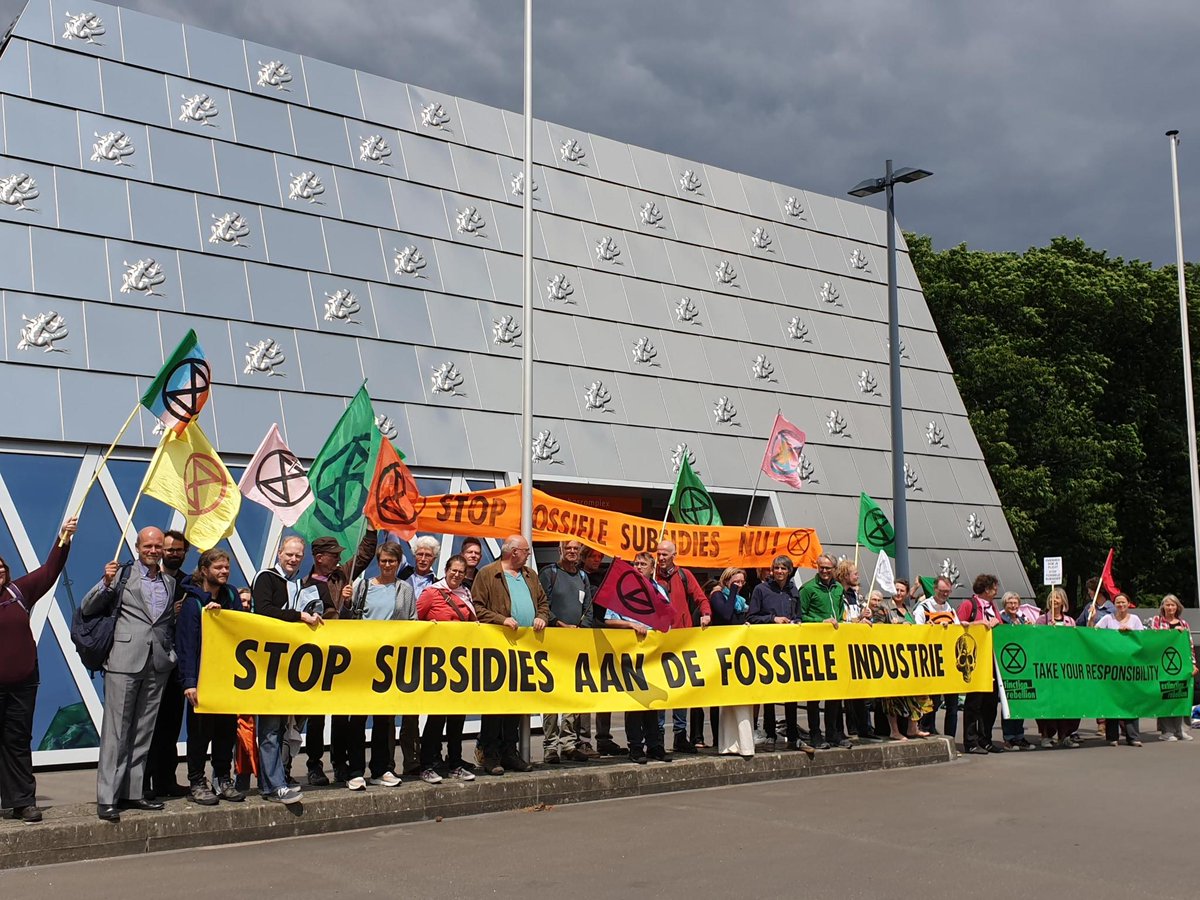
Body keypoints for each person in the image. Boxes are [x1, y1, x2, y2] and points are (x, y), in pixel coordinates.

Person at [81, 526, 177, 822]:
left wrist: (169, 653)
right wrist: (106, 583)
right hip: (123, 660)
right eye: (148, 546)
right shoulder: (121, 575)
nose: (153, 550)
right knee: (117, 732)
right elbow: (87, 607)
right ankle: (107, 797)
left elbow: (162, 622)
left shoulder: (169, 582)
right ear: (137, 547)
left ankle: (133, 792)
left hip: (156, 663)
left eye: (158, 546)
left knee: (142, 731)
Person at [0, 516, 76, 824]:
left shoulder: (19, 593)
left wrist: (63, 539)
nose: (0, 571)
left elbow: (48, 571)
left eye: (2, 567)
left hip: (23, 684)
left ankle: (22, 802)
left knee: (17, 741)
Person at [302, 532, 377, 787]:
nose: (338, 558)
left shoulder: (342, 575)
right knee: (316, 714)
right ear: (320, 557)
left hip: (342, 654)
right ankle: (314, 764)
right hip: (317, 656)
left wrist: (372, 527)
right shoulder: (304, 585)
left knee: (341, 712)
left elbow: (364, 556)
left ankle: (339, 763)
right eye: (334, 555)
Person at [471, 535, 548, 775]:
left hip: (525, 650)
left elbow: (544, 603)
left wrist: (541, 617)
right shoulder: (487, 574)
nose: (528, 555)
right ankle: (490, 754)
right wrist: (501, 619)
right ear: (513, 552)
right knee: (496, 704)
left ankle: (509, 752)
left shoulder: (530, 576)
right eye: (526, 551)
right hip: (497, 648)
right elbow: (478, 607)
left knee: (516, 702)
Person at [175, 548, 245, 804]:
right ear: (204, 570)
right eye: (218, 568)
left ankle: (223, 778)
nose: (224, 572)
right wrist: (189, 682)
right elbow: (186, 644)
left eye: (226, 567)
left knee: (226, 731)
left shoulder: (231, 596)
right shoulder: (193, 602)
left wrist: (223, 617)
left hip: (227, 678)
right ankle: (196, 780)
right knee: (200, 733)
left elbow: (241, 627)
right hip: (202, 679)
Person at [344, 541, 416, 789]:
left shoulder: (405, 589)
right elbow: (346, 619)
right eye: (383, 561)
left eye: (392, 561)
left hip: (390, 662)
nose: (387, 565)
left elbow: (412, 622)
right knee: (358, 718)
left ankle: (381, 768)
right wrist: (345, 602)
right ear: (378, 562)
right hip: (362, 660)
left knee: (384, 720)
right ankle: (354, 770)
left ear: (398, 563)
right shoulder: (362, 586)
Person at [250, 536, 317, 804]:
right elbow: (265, 611)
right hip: (268, 662)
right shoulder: (266, 578)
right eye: (289, 554)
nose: (293, 559)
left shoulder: (299, 585)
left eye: (298, 556)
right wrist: (299, 616)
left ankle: (272, 784)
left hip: (289, 664)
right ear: (279, 553)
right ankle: (276, 784)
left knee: (281, 727)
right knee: (269, 728)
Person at [416, 554, 478, 782]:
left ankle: (455, 763)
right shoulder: (431, 593)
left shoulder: (467, 593)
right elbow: (415, 621)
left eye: (461, 572)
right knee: (436, 717)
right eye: (454, 570)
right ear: (446, 569)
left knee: (457, 718)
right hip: (437, 665)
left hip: (460, 664)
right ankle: (427, 765)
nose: (457, 575)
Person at [606, 552, 669, 764]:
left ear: (652, 568)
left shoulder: (659, 590)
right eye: (636, 563)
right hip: (631, 653)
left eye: (643, 564)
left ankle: (655, 745)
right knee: (634, 703)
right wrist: (631, 624)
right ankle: (635, 747)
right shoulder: (622, 589)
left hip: (653, 653)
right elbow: (609, 620)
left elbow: (666, 618)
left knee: (653, 702)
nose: (638, 566)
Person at [143, 529, 189, 801]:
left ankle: (166, 780)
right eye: (170, 550)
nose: (174, 554)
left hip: (177, 666)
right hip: (150, 663)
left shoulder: (188, 582)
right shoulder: (150, 579)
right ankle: (144, 782)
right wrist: (169, 615)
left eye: (179, 550)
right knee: (149, 726)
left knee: (171, 726)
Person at [653, 540, 711, 753]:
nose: (661, 558)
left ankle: (680, 735)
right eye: (658, 554)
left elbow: (700, 598)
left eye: (665, 554)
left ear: (674, 555)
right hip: (659, 640)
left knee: (681, 689)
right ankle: (658, 736)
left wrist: (706, 614)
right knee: (660, 689)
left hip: (682, 640)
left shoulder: (684, 575)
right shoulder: (651, 577)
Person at [747, 556, 809, 752]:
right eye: (776, 568)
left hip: (790, 648)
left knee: (792, 692)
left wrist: (797, 621)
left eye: (783, 568)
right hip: (767, 648)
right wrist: (773, 619)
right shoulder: (761, 590)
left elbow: (799, 615)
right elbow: (752, 617)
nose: (780, 571)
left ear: (789, 571)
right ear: (771, 571)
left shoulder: (794, 590)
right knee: (770, 693)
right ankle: (770, 733)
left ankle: (792, 734)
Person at [540, 540, 594, 764]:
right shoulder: (549, 573)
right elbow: (541, 604)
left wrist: (582, 630)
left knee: (573, 695)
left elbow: (588, 608)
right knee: (552, 697)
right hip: (553, 643)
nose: (572, 552)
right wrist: (559, 624)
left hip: (576, 645)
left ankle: (569, 743)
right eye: (568, 548)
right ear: (560, 550)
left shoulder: (583, 577)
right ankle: (550, 746)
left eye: (576, 549)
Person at [799, 554, 849, 749]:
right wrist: (820, 623)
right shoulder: (808, 589)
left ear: (834, 569)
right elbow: (800, 617)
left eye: (829, 568)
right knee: (815, 694)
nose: (825, 571)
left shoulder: (838, 589)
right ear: (817, 567)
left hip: (835, 647)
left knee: (834, 693)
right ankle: (815, 735)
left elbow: (840, 614)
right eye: (822, 567)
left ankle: (833, 733)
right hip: (814, 647)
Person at [869, 589, 932, 741]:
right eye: (896, 589)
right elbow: (877, 630)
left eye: (902, 590)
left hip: (909, 657)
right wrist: (896, 627)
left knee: (917, 692)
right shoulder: (884, 608)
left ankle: (913, 728)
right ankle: (894, 731)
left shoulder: (910, 610)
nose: (898, 592)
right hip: (890, 657)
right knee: (892, 697)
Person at [582, 547, 624, 756]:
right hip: (586, 635)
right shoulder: (580, 577)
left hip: (607, 635)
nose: (597, 560)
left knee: (606, 688)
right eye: (592, 557)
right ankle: (583, 739)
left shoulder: (605, 577)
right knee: (585, 688)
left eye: (599, 557)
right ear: (585, 558)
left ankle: (604, 738)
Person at [710, 567, 754, 757]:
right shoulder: (717, 596)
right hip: (722, 653)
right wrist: (733, 591)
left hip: (738, 653)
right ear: (726, 580)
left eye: (742, 583)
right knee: (724, 701)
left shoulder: (741, 602)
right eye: (736, 582)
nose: (740, 586)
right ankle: (723, 742)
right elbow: (726, 616)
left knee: (741, 700)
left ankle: (743, 743)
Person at [1093, 593, 1144, 747]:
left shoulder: (1135, 620)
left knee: (1131, 702)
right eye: (1117, 602)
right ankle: (1112, 736)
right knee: (1112, 701)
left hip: (1130, 668)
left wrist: (1131, 633)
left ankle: (1132, 736)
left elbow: (1143, 639)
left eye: (1123, 602)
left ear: (1129, 604)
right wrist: (1091, 618)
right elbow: (1093, 633)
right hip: (1111, 668)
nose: (1120, 605)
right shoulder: (1108, 619)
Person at [958, 574, 1001, 755]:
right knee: (974, 702)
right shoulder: (969, 604)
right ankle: (970, 740)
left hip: (991, 660)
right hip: (975, 660)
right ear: (986, 589)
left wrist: (995, 621)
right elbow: (959, 624)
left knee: (990, 703)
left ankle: (986, 738)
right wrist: (978, 623)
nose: (997, 590)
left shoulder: (992, 606)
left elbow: (998, 619)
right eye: (994, 587)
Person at [914, 576, 961, 739]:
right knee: (931, 702)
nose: (945, 595)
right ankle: (928, 732)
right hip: (931, 663)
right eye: (942, 591)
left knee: (952, 706)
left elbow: (958, 630)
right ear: (935, 589)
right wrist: (930, 629)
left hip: (950, 663)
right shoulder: (923, 607)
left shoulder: (951, 609)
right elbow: (916, 630)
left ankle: (951, 738)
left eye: (947, 592)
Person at [1034, 587, 1081, 748]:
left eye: (1057, 598)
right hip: (1047, 667)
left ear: (1063, 601)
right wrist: (1048, 631)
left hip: (1065, 667)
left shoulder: (1070, 621)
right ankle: (1046, 735)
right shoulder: (1042, 620)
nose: (1054, 600)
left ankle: (1064, 735)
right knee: (1047, 701)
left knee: (1065, 702)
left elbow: (1075, 642)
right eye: (1052, 598)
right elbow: (1036, 641)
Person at [1150, 594, 1196, 741]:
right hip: (1162, 664)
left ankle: (1182, 730)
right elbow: (1152, 639)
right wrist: (1170, 633)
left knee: (1182, 695)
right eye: (1167, 605)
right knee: (1166, 695)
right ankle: (1166, 731)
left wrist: (1193, 664)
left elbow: (1190, 645)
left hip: (1181, 666)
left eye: (1173, 605)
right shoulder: (1157, 621)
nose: (1170, 608)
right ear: (1163, 607)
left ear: (1177, 607)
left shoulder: (1184, 624)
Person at [997, 592, 1035, 750]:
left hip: (1022, 665)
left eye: (1015, 603)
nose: (1013, 606)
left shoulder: (1022, 620)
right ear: (1004, 604)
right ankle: (1009, 737)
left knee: (1021, 699)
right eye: (1010, 603)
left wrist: (1030, 629)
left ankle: (1019, 736)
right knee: (1008, 701)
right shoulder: (1000, 620)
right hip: (1007, 664)